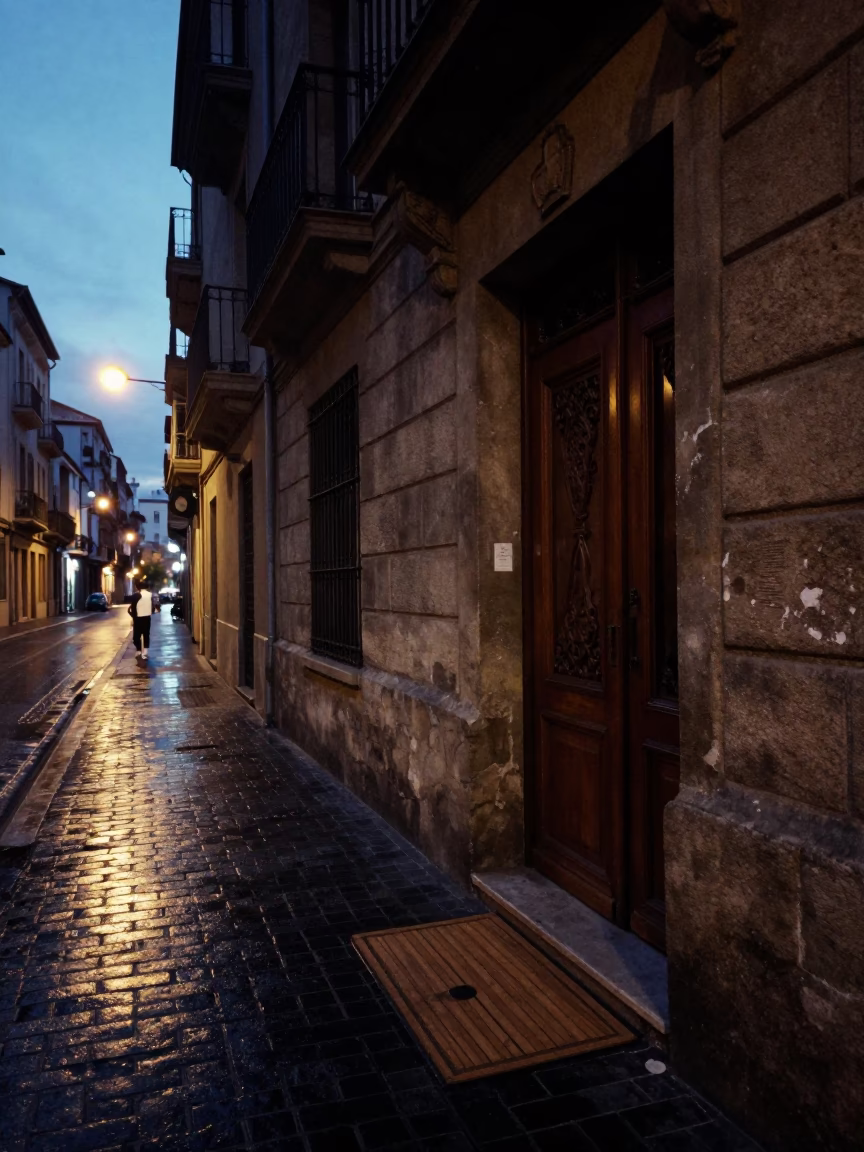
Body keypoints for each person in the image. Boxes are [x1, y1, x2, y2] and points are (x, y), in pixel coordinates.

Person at [128, 579, 159, 660]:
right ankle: (145, 651)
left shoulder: (135, 596)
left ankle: (138, 650)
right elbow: (154, 607)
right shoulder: (150, 595)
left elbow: (133, 609)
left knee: (136, 637)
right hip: (147, 618)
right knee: (146, 635)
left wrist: (133, 619)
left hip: (138, 619)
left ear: (138, 587)